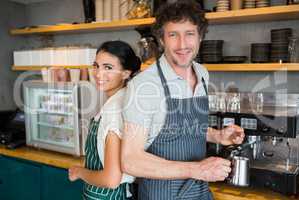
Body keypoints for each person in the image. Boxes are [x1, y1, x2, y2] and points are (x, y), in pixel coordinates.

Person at [121, 1, 245, 200]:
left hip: (199, 191)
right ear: (161, 40)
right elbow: (130, 160)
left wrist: (217, 136)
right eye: (173, 35)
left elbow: (184, 128)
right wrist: (196, 169)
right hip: (161, 195)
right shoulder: (144, 86)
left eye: (189, 34)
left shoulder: (202, 73)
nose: (182, 44)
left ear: (200, 37)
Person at [68, 40, 141, 200]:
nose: (98, 74)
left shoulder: (113, 112)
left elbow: (111, 179)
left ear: (125, 73)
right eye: (96, 66)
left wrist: (79, 172)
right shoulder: (119, 101)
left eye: (108, 67)